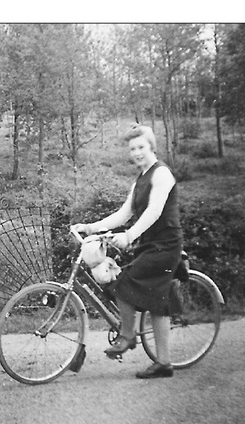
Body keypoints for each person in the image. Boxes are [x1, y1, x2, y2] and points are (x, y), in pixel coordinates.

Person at [72, 124, 182, 379]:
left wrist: (130, 235)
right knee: (156, 303)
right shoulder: (140, 179)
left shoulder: (161, 174)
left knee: (123, 282)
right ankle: (163, 363)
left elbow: (155, 211)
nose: (136, 152)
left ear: (151, 146)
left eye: (141, 147)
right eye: (132, 148)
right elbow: (124, 213)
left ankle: (128, 336)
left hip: (166, 244)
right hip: (150, 244)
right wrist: (91, 227)